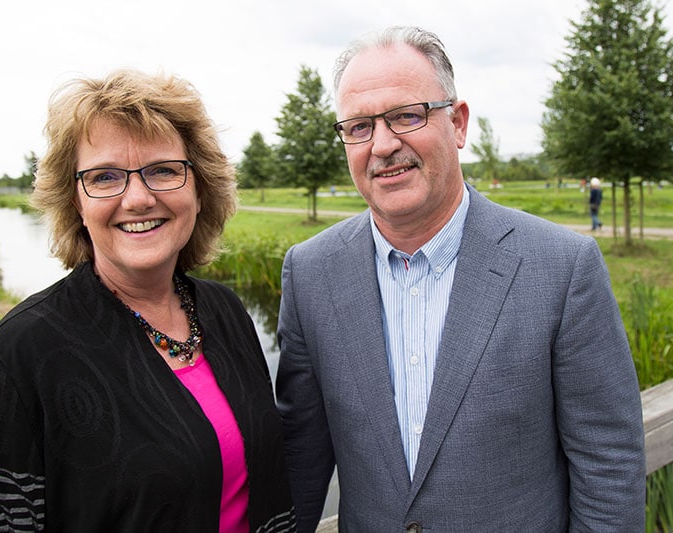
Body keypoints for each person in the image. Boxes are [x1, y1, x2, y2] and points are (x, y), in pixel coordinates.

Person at [276, 26, 645, 531]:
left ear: (458, 123)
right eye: (359, 126)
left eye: (406, 116)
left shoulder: (562, 267)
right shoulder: (310, 273)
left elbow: (609, 466)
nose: (382, 145)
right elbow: (301, 457)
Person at [0, 69, 295, 532]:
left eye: (162, 170)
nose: (137, 198)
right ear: (76, 201)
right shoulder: (15, 359)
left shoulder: (224, 311)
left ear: (199, 187)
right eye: (105, 177)